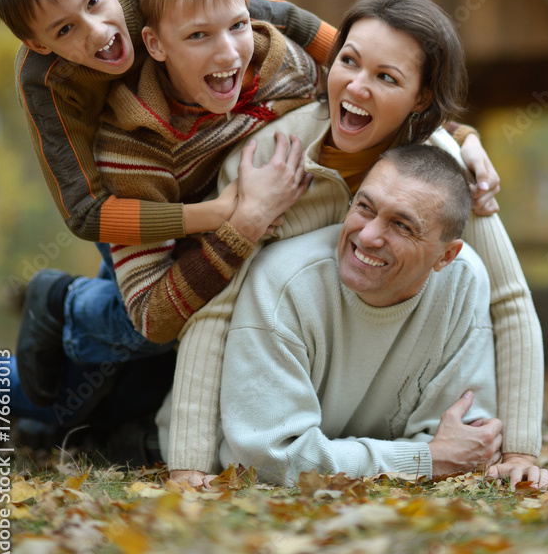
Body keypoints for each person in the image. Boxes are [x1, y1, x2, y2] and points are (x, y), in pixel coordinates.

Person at [168, 0, 545, 489]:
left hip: (340, 389)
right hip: (244, 365)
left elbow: (510, 299)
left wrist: (521, 450)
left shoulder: (443, 174)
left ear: (421, 97)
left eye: (386, 77)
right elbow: (215, 305)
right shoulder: (267, 159)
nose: (357, 87)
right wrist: (188, 462)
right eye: (349, 61)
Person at [0, 0, 336, 406]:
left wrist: (369, 71)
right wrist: (219, 215)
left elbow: (286, 17)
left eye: (95, 1)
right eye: (64, 30)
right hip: (124, 187)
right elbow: (86, 214)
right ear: (37, 43)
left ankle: (100, 407)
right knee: (145, 330)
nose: (96, 31)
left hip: (185, 158)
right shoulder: (44, 82)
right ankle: (63, 303)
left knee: (153, 351)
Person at [218, 145, 519, 484]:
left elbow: (465, 440)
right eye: (365, 207)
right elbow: (269, 457)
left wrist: (439, 454)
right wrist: (422, 459)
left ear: (445, 256)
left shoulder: (463, 280)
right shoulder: (283, 280)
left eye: (402, 225)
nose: (368, 235)